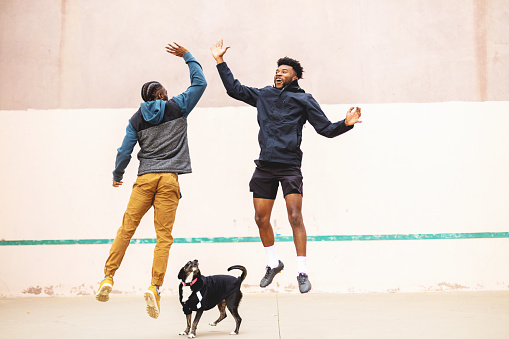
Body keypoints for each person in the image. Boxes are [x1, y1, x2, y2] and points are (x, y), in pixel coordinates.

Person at [210, 39, 361, 294]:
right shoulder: (264, 95)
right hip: (265, 166)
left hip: (290, 165)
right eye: (277, 70)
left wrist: (345, 124)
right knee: (260, 218)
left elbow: (324, 129)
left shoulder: (304, 100)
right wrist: (220, 61)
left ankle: (301, 271)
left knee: (294, 216)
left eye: (284, 71)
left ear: (295, 77)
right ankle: (273, 263)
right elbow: (234, 89)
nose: (279, 73)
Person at [95, 42, 207, 319]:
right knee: (163, 237)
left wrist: (117, 175)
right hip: (169, 180)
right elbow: (200, 83)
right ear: (159, 94)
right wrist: (187, 56)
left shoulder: (136, 119)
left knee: (126, 229)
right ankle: (154, 287)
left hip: (145, 179)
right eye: (164, 92)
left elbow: (124, 151)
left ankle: (108, 277)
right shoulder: (176, 106)